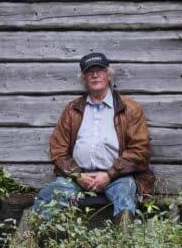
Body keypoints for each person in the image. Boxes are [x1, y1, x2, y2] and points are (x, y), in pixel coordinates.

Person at [33, 52, 154, 223]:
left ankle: (124, 243)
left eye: (100, 70)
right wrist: (78, 176)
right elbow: (58, 149)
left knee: (126, 193)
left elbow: (140, 150)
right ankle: (24, 245)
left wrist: (110, 175)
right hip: (77, 178)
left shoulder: (130, 109)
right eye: (90, 72)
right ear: (83, 79)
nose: (95, 75)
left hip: (117, 178)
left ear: (108, 75)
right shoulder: (72, 109)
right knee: (50, 195)